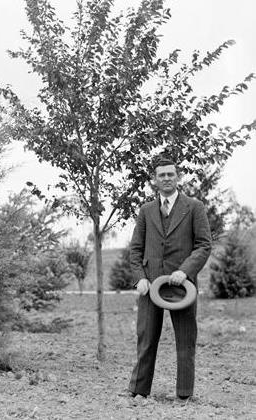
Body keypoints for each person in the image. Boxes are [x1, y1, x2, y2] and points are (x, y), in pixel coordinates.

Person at [127, 157, 212, 400]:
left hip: (182, 286)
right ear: (155, 180)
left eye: (170, 174)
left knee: (186, 342)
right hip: (150, 287)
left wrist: (184, 271)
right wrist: (140, 278)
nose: (166, 178)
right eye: (161, 175)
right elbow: (135, 249)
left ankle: (184, 395)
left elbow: (204, 245)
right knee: (146, 339)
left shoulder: (194, 207)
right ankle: (138, 391)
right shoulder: (146, 210)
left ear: (178, 177)